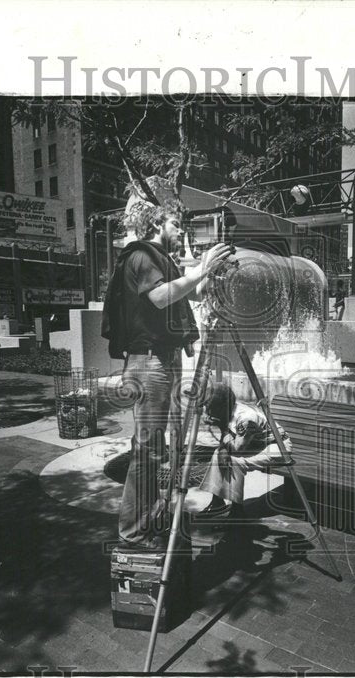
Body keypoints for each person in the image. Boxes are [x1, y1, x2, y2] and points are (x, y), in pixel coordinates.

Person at [115, 197, 234, 548]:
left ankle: (151, 521)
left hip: (164, 361)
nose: (181, 230)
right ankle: (133, 532)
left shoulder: (162, 260)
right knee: (149, 450)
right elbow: (161, 298)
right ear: (156, 225)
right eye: (175, 224)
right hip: (149, 364)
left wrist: (210, 273)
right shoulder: (141, 256)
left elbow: (185, 294)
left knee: (163, 450)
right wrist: (199, 269)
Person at [198, 381, 290, 519]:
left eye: (211, 408)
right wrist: (223, 448)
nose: (208, 412)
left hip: (277, 446)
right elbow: (231, 441)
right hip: (258, 443)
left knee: (235, 461)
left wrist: (221, 425)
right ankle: (217, 502)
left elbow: (237, 449)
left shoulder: (246, 419)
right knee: (218, 453)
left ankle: (237, 512)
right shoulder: (231, 408)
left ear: (222, 406)